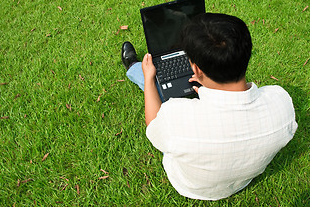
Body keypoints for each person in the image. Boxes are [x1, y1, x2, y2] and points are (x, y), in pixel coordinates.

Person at [121, 13, 298, 200]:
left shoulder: (176, 118)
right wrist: (210, 87)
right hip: (241, 181)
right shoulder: (281, 103)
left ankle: (134, 67)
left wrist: (149, 78)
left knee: (153, 83)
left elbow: (153, 124)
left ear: (196, 69)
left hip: (190, 185)